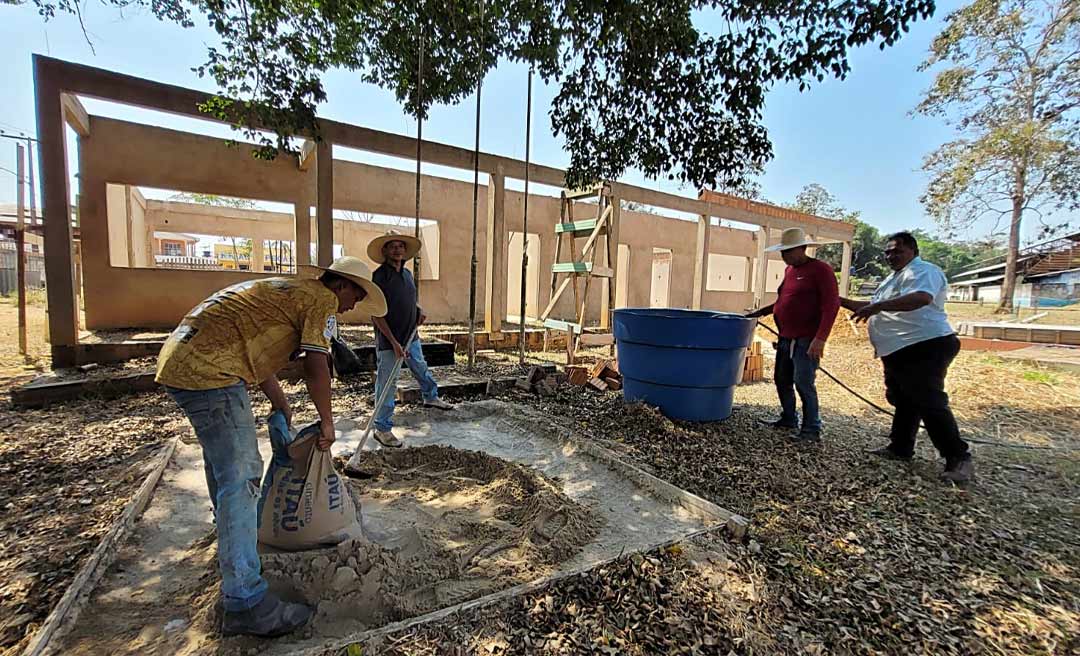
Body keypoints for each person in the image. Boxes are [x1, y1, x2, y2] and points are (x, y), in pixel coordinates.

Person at [155, 256, 387, 636]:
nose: (351, 307)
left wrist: (281, 402)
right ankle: (245, 599)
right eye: (356, 296)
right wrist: (327, 422)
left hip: (184, 361)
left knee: (222, 468)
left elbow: (255, 353)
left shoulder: (291, 291)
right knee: (243, 475)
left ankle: (235, 550)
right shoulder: (321, 300)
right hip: (211, 371)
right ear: (341, 285)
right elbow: (316, 364)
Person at [840, 231, 973, 483]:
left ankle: (958, 457)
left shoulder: (924, 271)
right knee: (903, 399)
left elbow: (921, 298)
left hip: (925, 344)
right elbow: (869, 305)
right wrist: (838, 301)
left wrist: (876, 307)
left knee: (928, 401)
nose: (890, 256)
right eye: (887, 252)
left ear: (913, 251)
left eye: (896, 251)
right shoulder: (892, 279)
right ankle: (900, 447)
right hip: (898, 348)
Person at [747, 227, 840, 442]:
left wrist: (820, 339)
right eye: (782, 252)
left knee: (803, 383)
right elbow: (782, 302)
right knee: (782, 379)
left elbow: (831, 306)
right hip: (785, 338)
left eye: (788, 251)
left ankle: (811, 428)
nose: (784, 256)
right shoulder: (790, 272)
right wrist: (759, 313)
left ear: (802, 248)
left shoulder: (821, 270)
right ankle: (789, 417)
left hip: (806, 339)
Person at [368, 230, 453, 449]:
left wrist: (418, 310)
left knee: (420, 367)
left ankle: (430, 396)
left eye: (401, 246)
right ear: (385, 250)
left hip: (411, 336)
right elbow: (376, 313)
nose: (397, 249)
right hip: (390, 341)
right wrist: (394, 343)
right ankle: (382, 428)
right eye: (393, 246)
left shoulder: (406, 275)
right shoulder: (379, 277)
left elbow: (408, 299)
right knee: (387, 383)